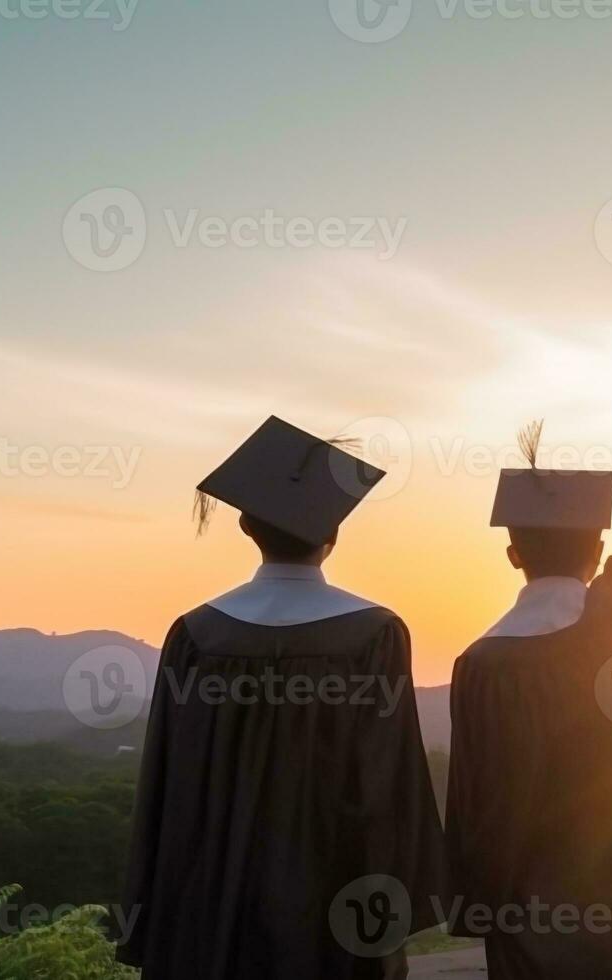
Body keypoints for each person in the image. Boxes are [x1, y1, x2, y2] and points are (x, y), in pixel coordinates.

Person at [119, 416, 447, 980]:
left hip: (212, 906)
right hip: (335, 906)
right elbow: (389, 787)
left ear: (245, 525)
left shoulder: (197, 635)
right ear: (333, 534)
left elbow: (166, 787)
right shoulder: (373, 635)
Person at [444, 355, 612, 979]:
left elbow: (475, 818)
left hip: (533, 932)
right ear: (600, 550)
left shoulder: (480, 666)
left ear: (512, 554)